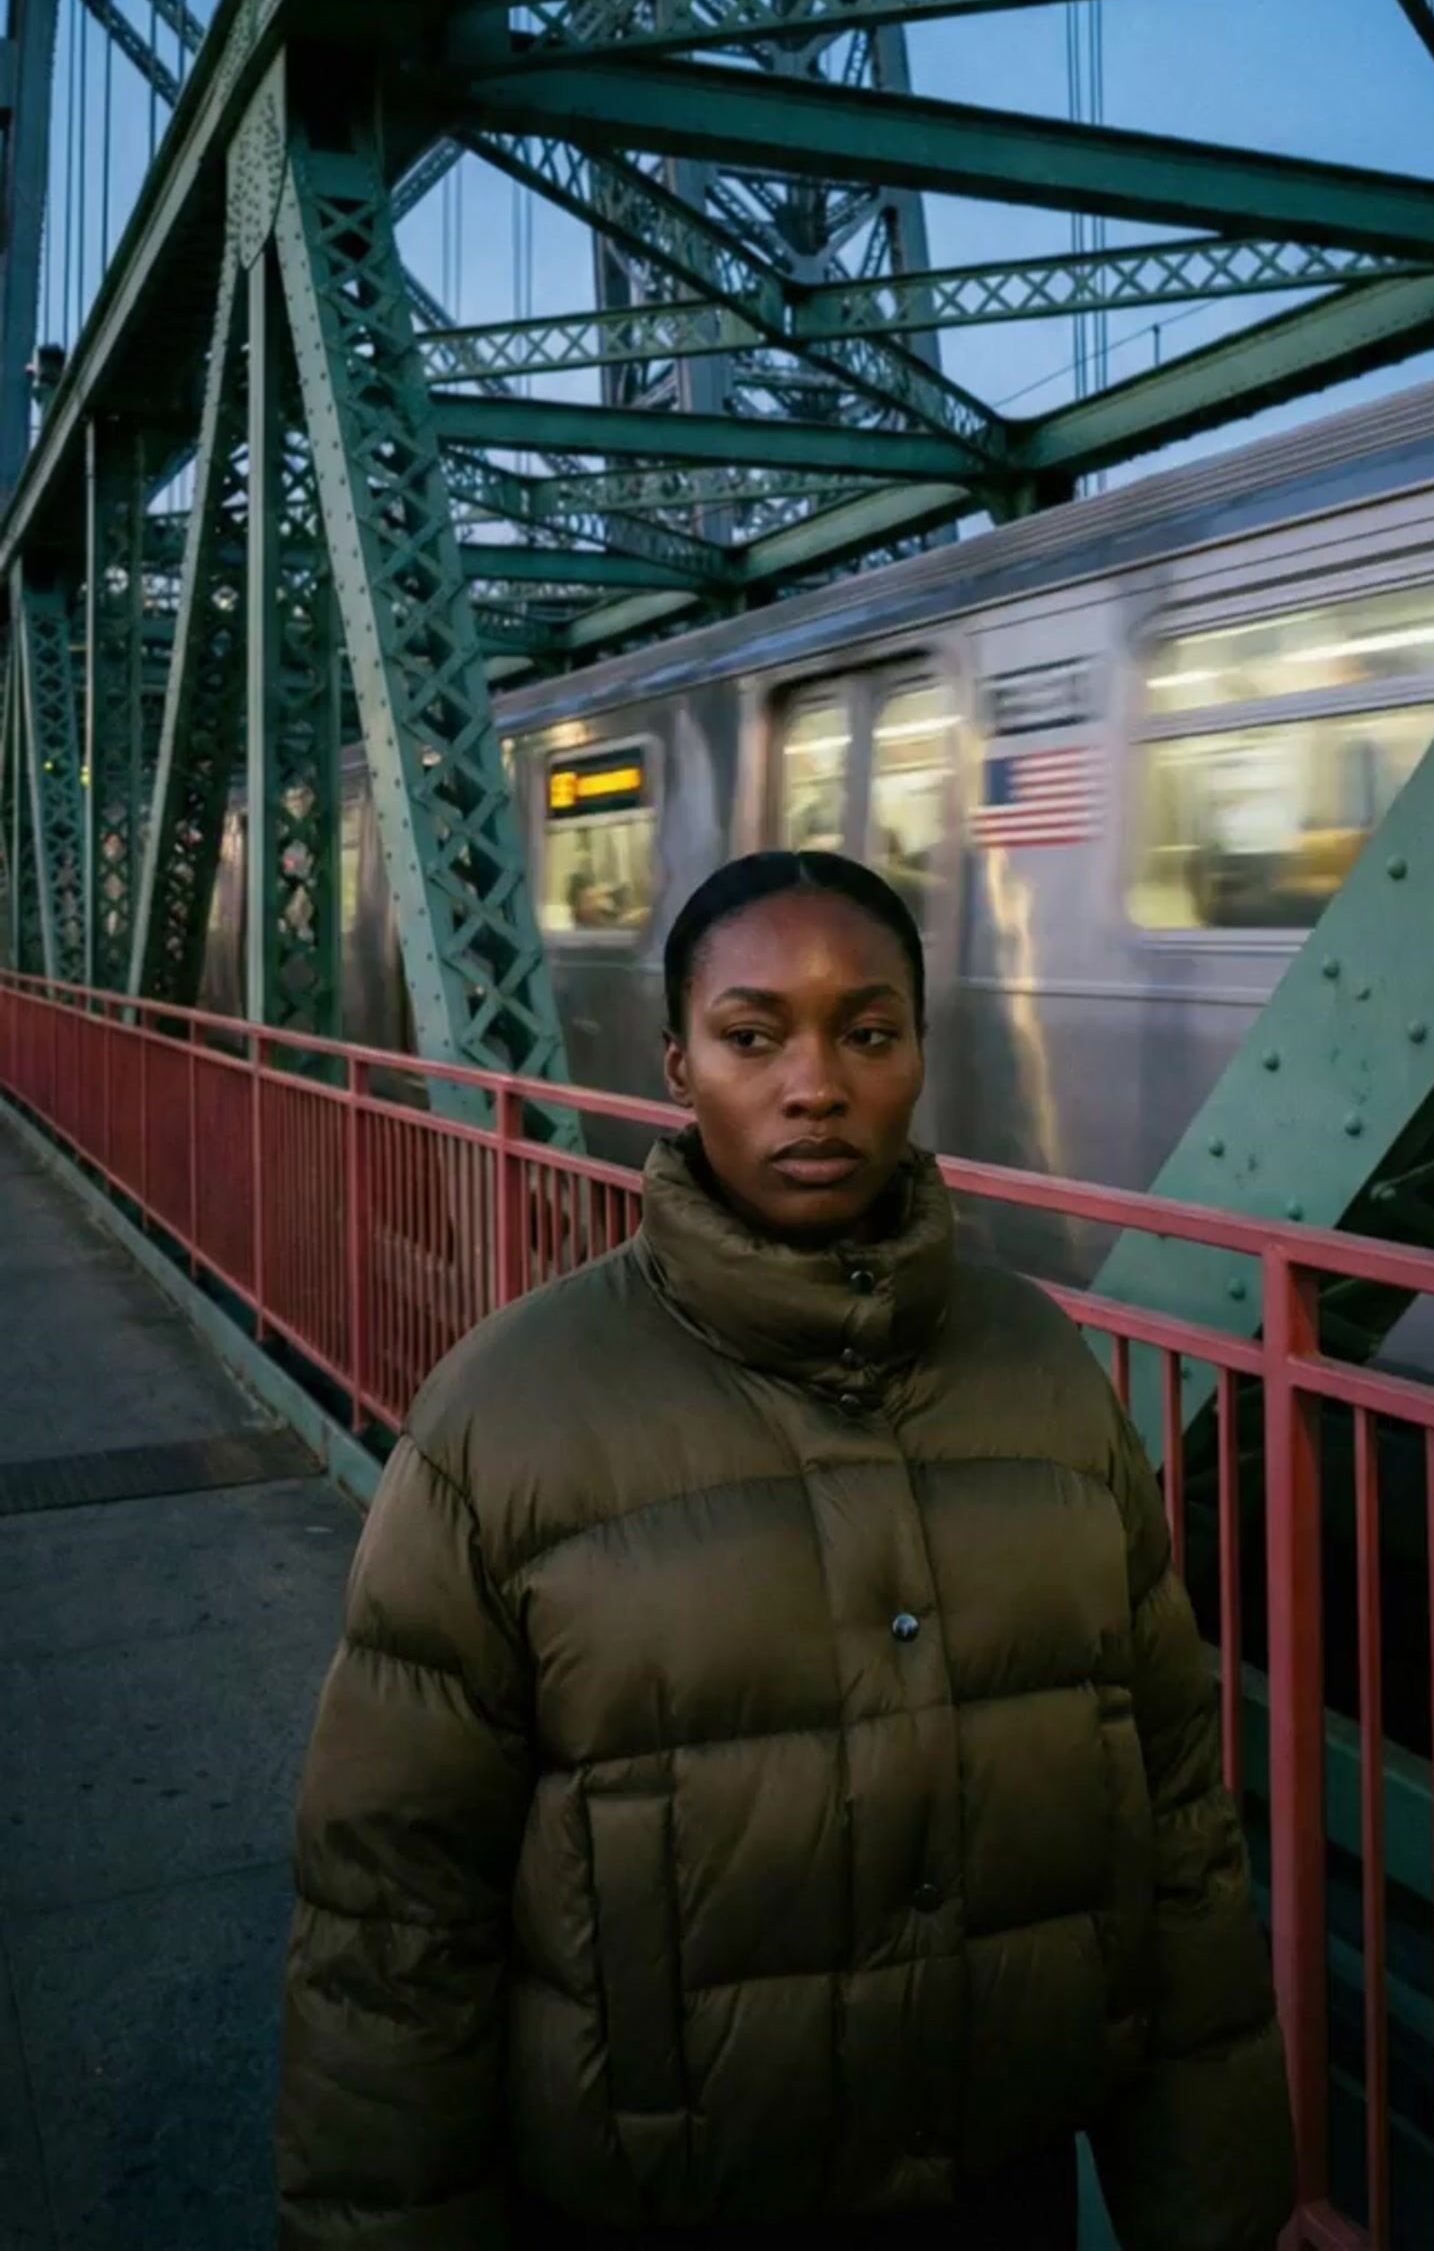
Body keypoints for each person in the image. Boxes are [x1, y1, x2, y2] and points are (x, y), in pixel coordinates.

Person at [277, 849, 1295, 2251]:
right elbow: (394, 1913)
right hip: (661, 2199)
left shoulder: (1043, 1372)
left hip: (994, 2184)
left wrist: (1216, 2207)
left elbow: (1173, 1818)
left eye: (868, 1033)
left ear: (921, 1054)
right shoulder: (510, 1412)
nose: (815, 1085)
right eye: (753, 1036)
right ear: (678, 1064)